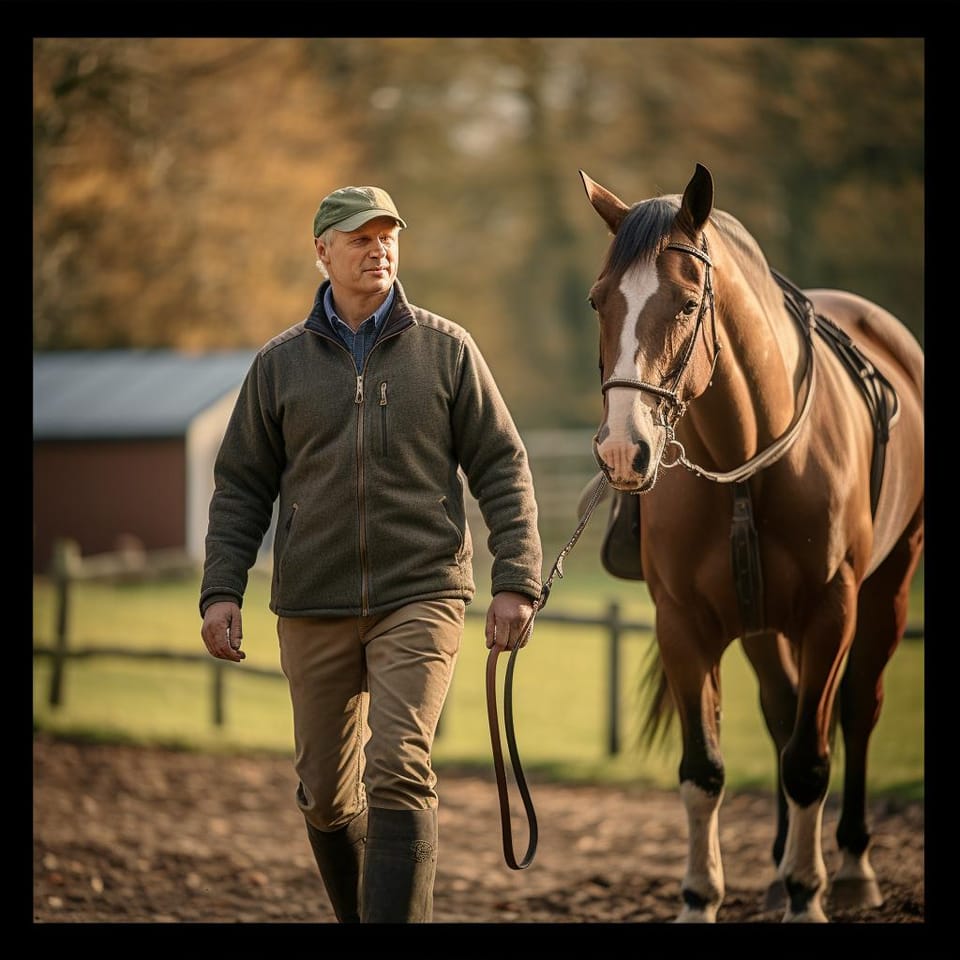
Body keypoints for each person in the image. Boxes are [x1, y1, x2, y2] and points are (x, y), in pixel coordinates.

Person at [199, 184, 543, 923]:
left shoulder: (448, 350)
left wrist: (517, 579)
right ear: (321, 251)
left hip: (422, 591)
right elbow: (240, 487)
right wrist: (221, 590)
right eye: (360, 238)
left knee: (399, 767)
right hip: (313, 600)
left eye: (387, 236)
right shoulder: (279, 365)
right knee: (326, 795)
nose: (378, 249)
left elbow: (502, 466)